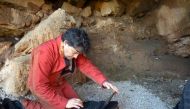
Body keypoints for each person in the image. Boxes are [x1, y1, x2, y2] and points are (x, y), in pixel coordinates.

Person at [21, 28, 119, 109]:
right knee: (63, 106)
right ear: (66, 43)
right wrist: (65, 103)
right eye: (75, 53)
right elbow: (39, 86)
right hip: (42, 87)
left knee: (77, 105)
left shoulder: (72, 46)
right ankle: (26, 105)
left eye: (78, 54)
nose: (76, 57)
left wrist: (103, 81)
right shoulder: (44, 53)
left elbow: (85, 64)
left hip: (58, 82)